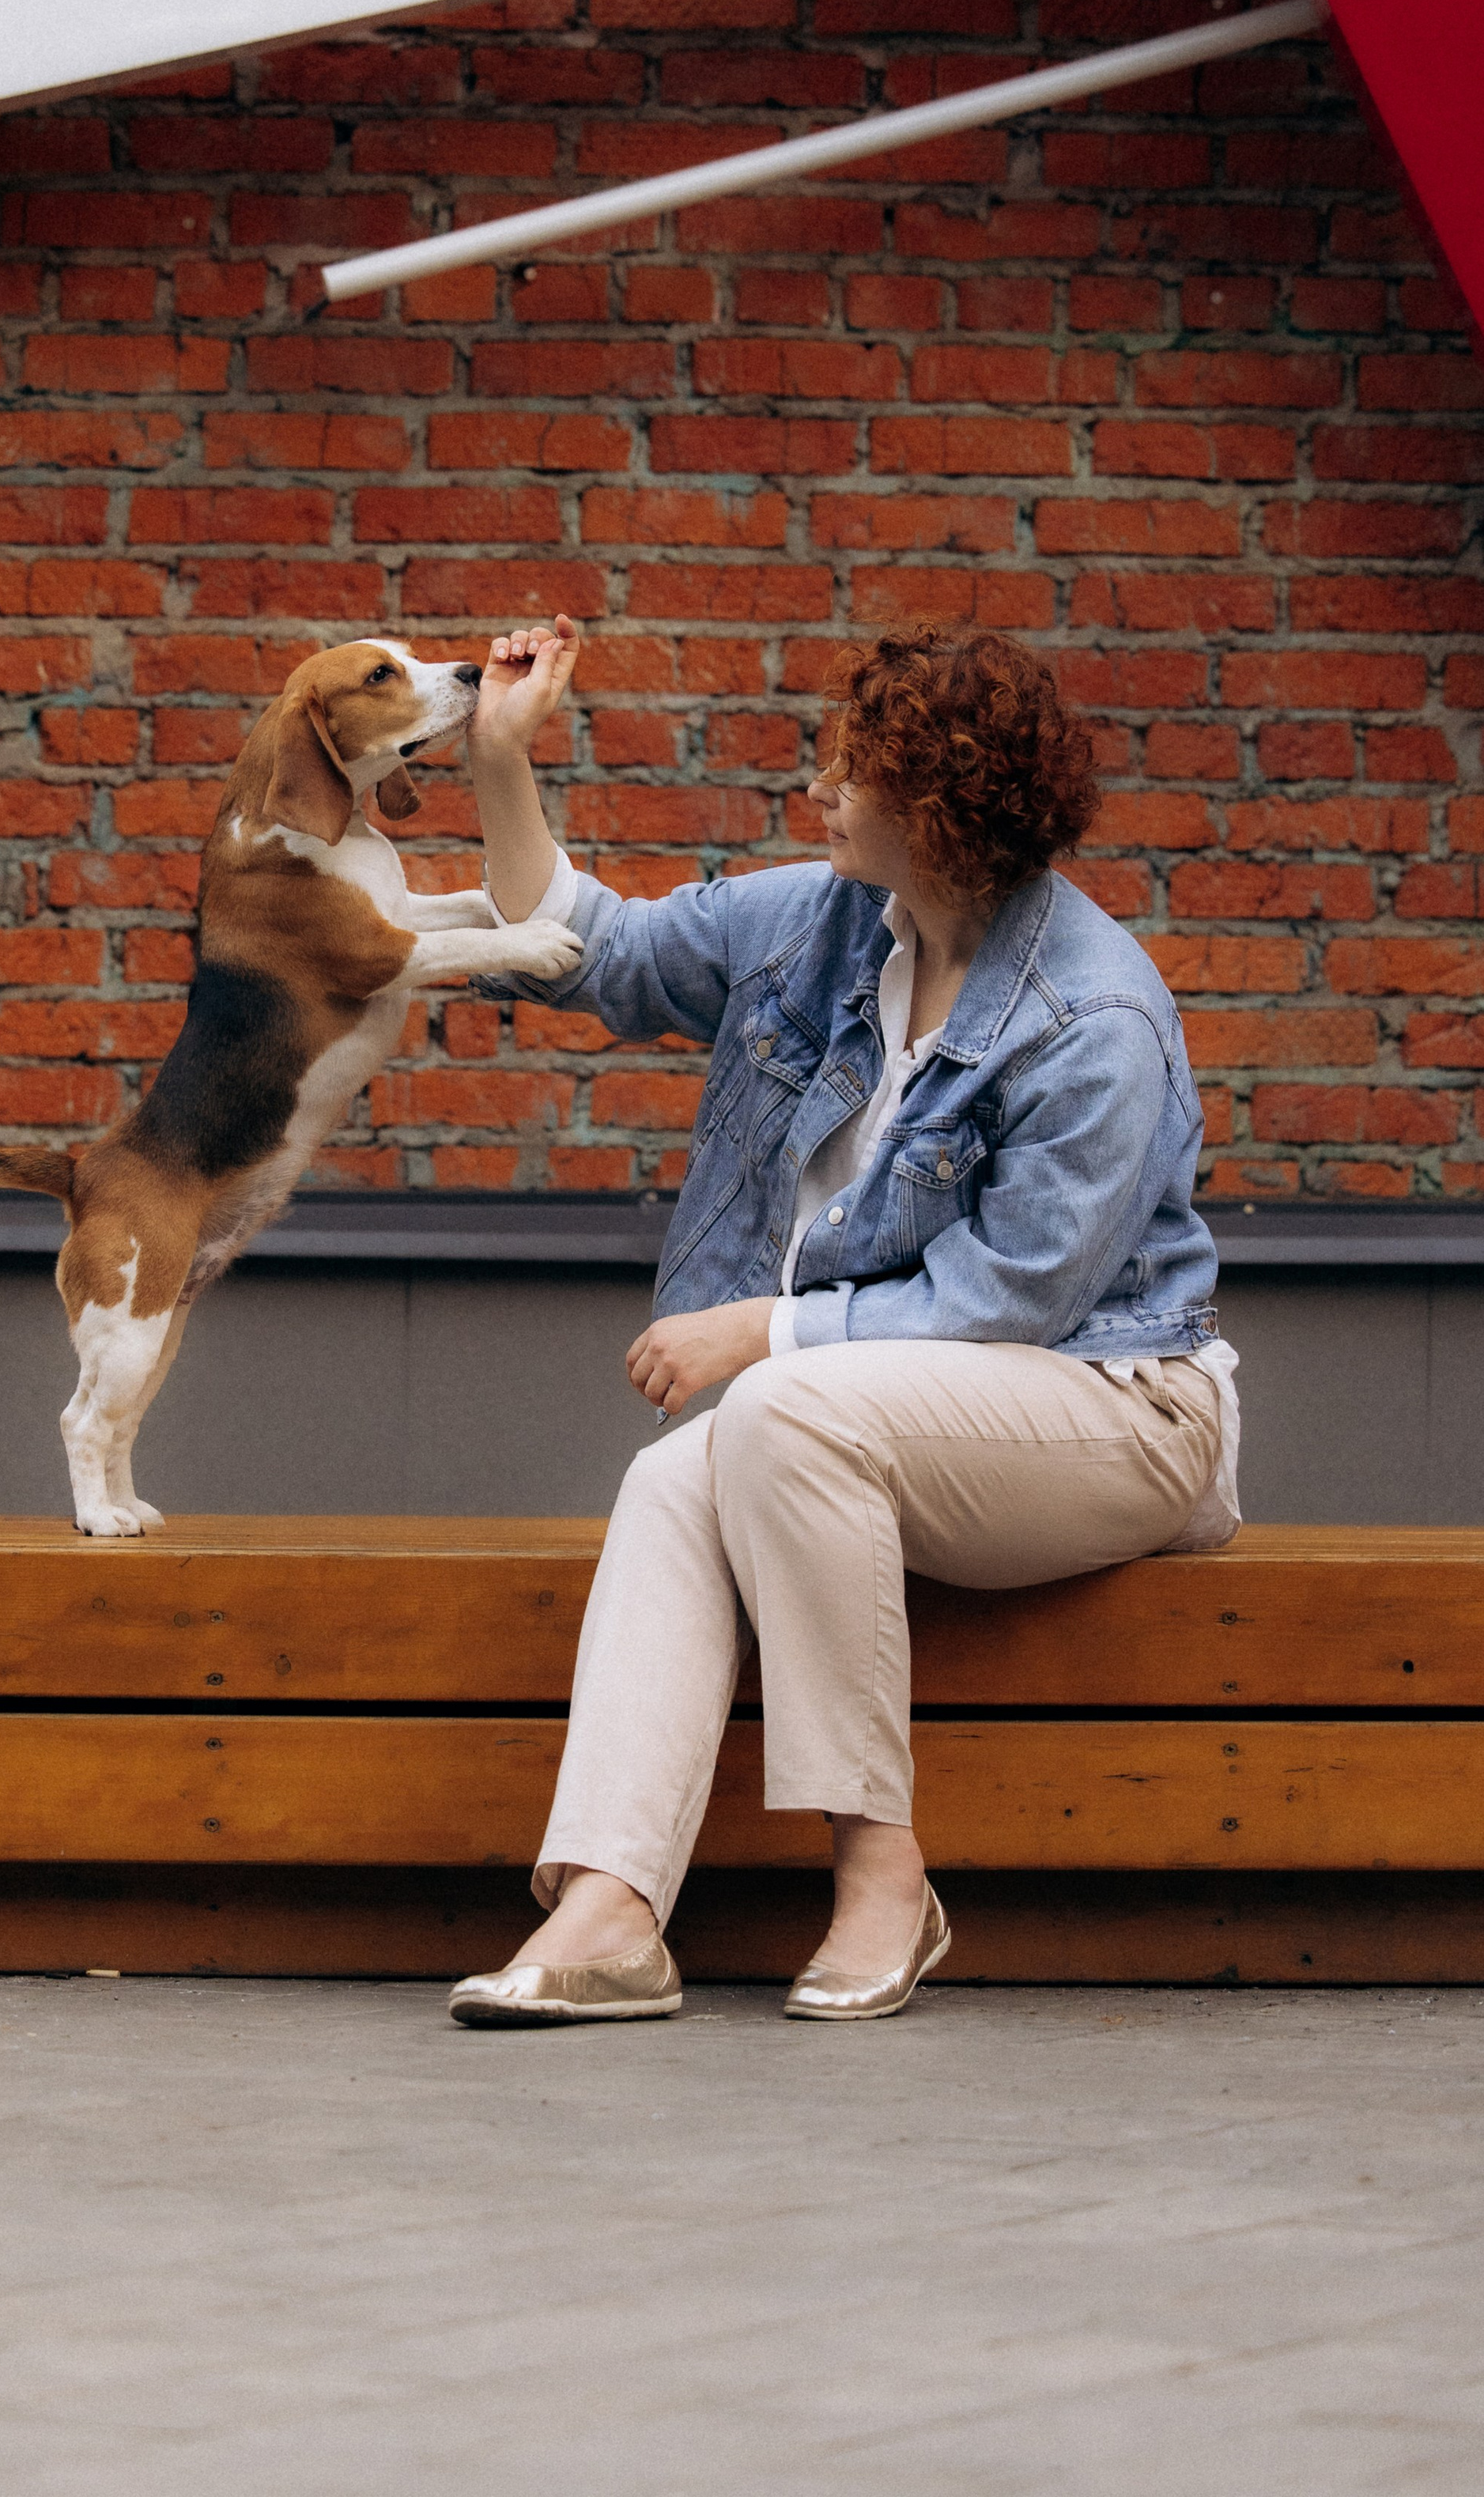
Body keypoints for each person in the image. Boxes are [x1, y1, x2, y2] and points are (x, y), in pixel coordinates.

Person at [448, 614, 1239, 2030]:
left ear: (934, 810)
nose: (821, 788)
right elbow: (595, 952)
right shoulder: (819, 924)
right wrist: (503, 763)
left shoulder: (1094, 1012)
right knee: (667, 1483)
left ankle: (883, 1869)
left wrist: (765, 1330)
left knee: (779, 1404)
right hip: (863, 1427)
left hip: (1117, 1404)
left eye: (849, 767)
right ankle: (613, 1906)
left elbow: (1016, 1296)